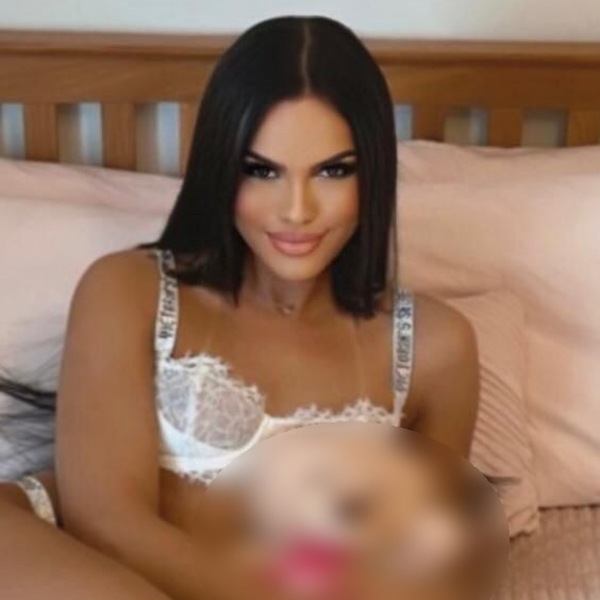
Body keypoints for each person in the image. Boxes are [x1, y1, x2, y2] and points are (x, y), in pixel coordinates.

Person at [0, 14, 479, 600]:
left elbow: (428, 565)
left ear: (374, 171)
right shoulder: (128, 291)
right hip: (64, 554)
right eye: (261, 170)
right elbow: (107, 524)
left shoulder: (436, 348)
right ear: (221, 168)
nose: (296, 210)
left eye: (333, 170)